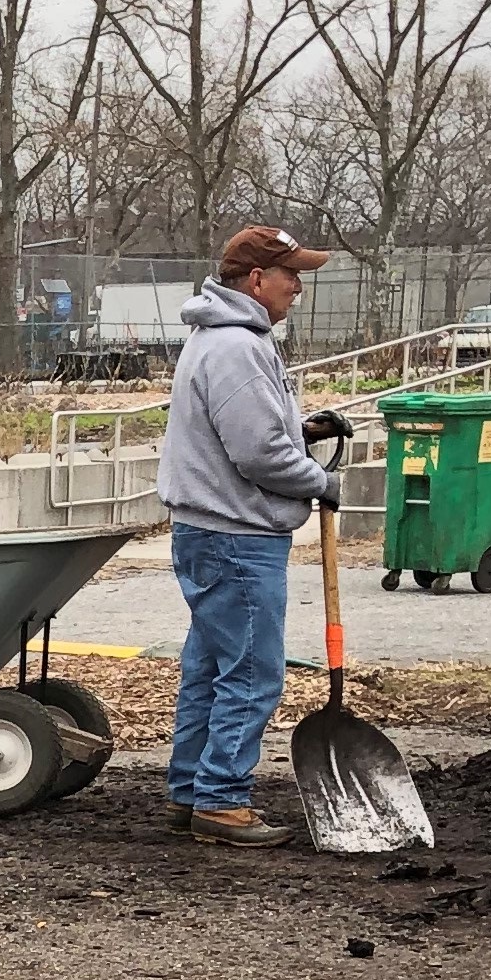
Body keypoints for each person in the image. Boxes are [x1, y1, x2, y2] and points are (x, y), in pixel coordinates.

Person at [160, 224, 342, 852]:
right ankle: (222, 800)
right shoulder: (238, 346)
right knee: (254, 672)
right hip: (237, 536)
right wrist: (321, 482)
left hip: (209, 531)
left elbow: (246, 430)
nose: (298, 284)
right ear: (255, 280)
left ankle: (190, 791)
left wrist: (305, 428)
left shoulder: (217, 339)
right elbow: (258, 452)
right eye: (290, 273)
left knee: (209, 668)